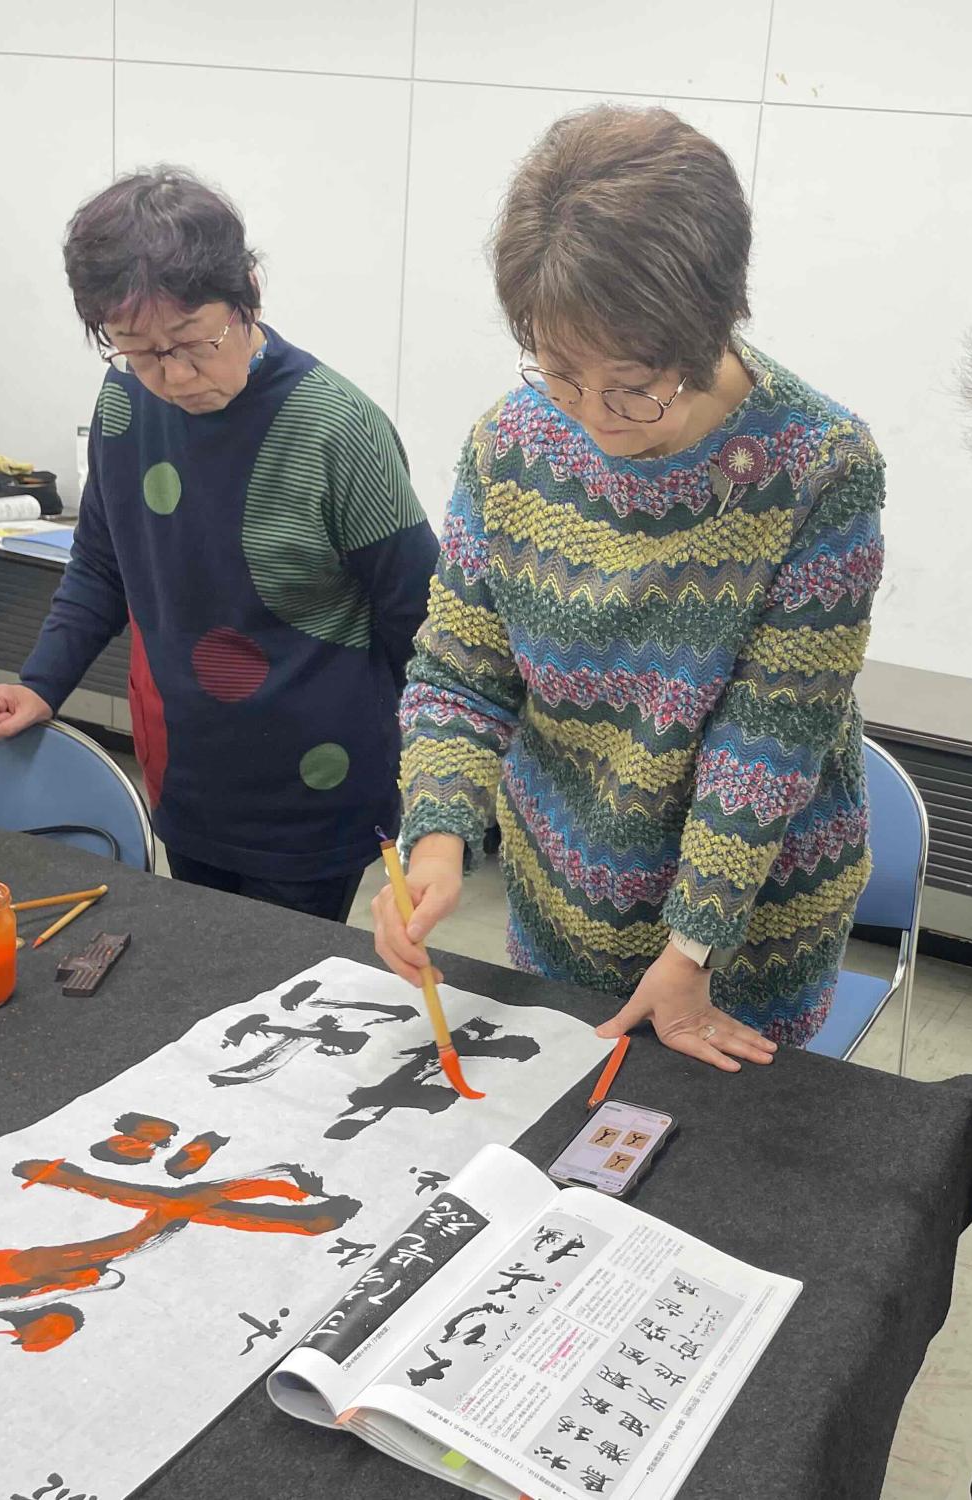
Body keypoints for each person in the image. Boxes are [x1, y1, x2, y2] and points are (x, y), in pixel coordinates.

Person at [371, 105, 884, 1069]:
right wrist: (437, 838)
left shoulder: (819, 465)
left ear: (710, 324)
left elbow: (770, 736)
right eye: (561, 374)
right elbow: (461, 675)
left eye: (635, 383)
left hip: (746, 932)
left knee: (727, 1147)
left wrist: (694, 948)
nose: (596, 416)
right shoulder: (513, 445)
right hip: (561, 897)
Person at [0, 169, 438, 921]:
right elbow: (101, 563)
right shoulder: (124, 402)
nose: (175, 375)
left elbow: (420, 622)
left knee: (284, 980)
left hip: (313, 791)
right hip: (183, 771)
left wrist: (432, 796)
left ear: (248, 291)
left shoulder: (336, 427)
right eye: (140, 351)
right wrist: (41, 682)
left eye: (194, 341)